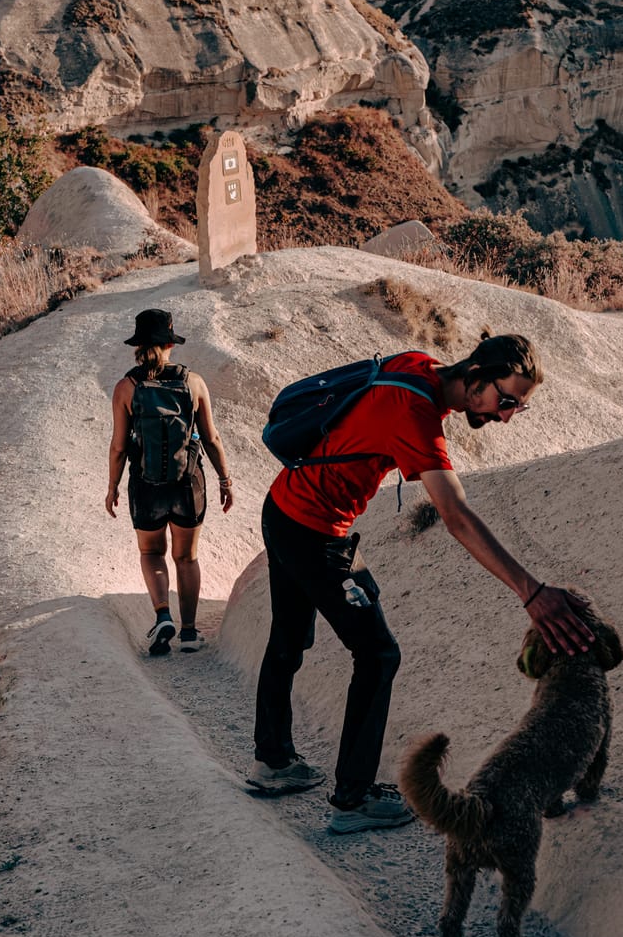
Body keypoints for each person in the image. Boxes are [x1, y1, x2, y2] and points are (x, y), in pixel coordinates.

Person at [251, 332, 594, 833]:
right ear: (476, 374)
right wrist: (532, 592)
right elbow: (454, 514)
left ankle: (273, 763)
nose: (504, 416)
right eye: (506, 401)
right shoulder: (415, 416)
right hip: (313, 531)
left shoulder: (419, 366)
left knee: (289, 637)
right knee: (378, 654)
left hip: (283, 508)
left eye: (517, 409)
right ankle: (353, 799)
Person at [105, 308, 234, 655]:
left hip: (146, 487)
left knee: (151, 552)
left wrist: (112, 486)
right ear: (169, 345)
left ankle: (163, 614)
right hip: (187, 485)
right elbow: (212, 438)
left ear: (138, 345)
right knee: (186, 558)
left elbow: (119, 446)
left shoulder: (126, 388)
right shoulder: (194, 383)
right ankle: (189, 632)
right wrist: (225, 480)